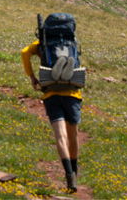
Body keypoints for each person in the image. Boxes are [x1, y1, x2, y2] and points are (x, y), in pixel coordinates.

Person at [22, 32, 82, 193]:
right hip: (72, 93)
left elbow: (24, 52)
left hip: (51, 94)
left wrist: (32, 76)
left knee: (60, 136)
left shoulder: (43, 44)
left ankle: (69, 176)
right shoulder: (72, 42)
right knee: (73, 136)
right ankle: (75, 172)